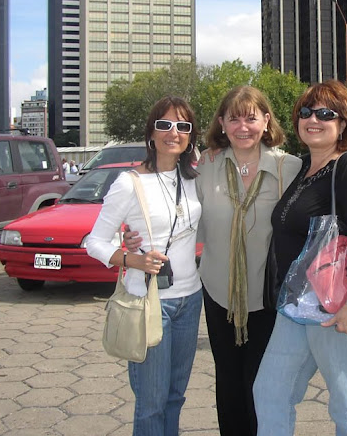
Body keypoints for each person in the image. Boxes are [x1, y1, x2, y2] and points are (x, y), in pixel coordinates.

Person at [125, 86, 301, 436]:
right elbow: (178, 215)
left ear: (267, 121)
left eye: (251, 117)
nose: (242, 126)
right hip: (218, 293)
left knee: (263, 385)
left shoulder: (289, 167)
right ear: (221, 123)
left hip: (269, 298)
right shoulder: (205, 166)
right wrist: (136, 238)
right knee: (229, 383)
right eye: (233, 118)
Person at [253, 80, 347, 435]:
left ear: (343, 124)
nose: (314, 119)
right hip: (297, 306)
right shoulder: (304, 171)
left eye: (326, 113)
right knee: (269, 391)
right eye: (306, 112)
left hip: (336, 304)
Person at [87, 97, 203, 436]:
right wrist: (132, 258)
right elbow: (94, 241)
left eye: (182, 126)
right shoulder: (129, 182)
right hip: (149, 301)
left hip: (190, 298)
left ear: (190, 136)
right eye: (164, 125)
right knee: (151, 402)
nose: (173, 133)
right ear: (151, 133)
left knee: (175, 397)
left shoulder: (194, 179)